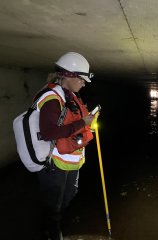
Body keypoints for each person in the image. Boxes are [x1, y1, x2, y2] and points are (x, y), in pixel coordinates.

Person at [35, 52, 95, 240]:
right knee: (53, 205)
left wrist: (87, 123)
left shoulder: (68, 95)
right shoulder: (52, 99)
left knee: (67, 196)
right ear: (69, 75)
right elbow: (49, 133)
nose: (83, 84)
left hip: (68, 162)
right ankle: (51, 233)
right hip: (53, 165)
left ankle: (56, 225)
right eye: (81, 80)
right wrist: (83, 123)